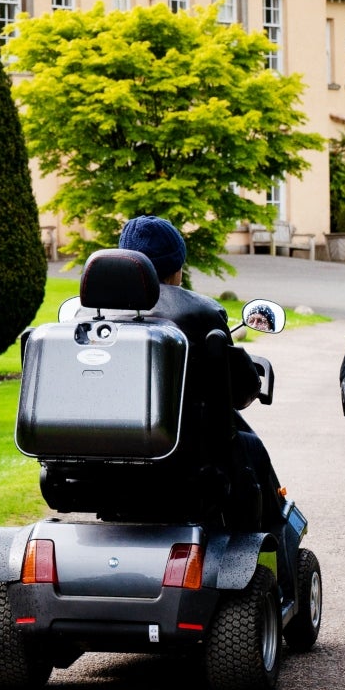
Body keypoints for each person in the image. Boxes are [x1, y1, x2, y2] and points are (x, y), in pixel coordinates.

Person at [116, 215, 284, 531]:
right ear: (176, 267)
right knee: (251, 448)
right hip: (186, 460)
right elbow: (239, 391)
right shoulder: (199, 312)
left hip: (104, 460)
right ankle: (280, 563)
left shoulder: (89, 315)